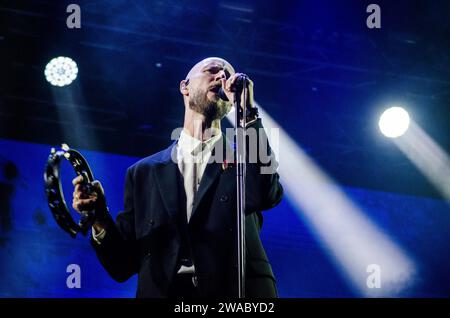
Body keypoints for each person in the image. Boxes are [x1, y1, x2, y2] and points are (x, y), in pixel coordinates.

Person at [72, 57, 283, 298]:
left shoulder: (243, 161)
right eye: (212, 70)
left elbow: (267, 193)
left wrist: (248, 112)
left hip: (234, 294)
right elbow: (122, 265)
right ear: (185, 86)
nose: (222, 77)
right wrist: (100, 217)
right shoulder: (144, 172)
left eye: (227, 74)